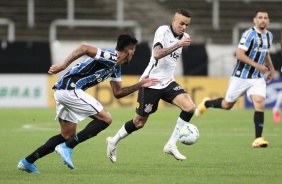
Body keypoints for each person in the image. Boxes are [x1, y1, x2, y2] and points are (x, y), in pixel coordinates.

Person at [17, 34, 159, 174]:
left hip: (63, 91)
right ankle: (67, 147)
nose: (132, 57)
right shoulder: (111, 56)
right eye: (132, 53)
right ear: (129, 52)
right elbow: (84, 48)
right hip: (69, 89)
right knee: (106, 119)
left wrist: (140, 84)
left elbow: (118, 93)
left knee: (67, 135)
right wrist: (63, 65)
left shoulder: (116, 67)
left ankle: (27, 162)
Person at [106, 8, 195, 163]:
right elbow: (157, 54)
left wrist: (181, 42)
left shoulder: (185, 36)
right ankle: (113, 141)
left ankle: (171, 144)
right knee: (139, 123)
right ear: (174, 21)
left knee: (190, 107)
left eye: (187, 25)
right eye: (182, 24)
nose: (184, 28)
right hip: (151, 82)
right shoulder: (163, 31)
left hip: (168, 82)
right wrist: (178, 44)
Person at [195, 9, 275, 148]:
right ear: (254, 20)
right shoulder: (249, 34)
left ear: (268, 21)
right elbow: (239, 54)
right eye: (260, 17)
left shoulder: (269, 36)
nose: (262, 20)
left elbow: (265, 52)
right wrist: (257, 65)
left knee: (260, 102)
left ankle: (258, 138)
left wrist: (271, 68)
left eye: (265, 18)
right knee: (227, 105)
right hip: (241, 76)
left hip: (256, 77)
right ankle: (207, 104)